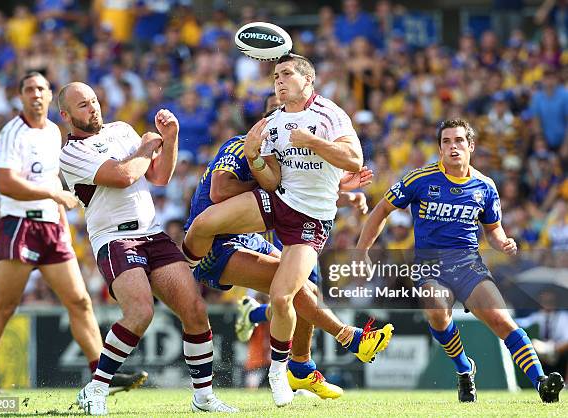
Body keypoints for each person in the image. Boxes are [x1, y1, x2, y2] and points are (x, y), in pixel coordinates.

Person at [181, 53, 394, 407]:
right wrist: (255, 158)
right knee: (206, 224)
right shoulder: (273, 125)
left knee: (286, 295)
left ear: (307, 81)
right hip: (271, 208)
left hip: (307, 223)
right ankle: (180, 267)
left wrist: (321, 158)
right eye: (274, 77)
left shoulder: (329, 114)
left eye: (285, 75)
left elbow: (353, 160)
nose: (277, 82)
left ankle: (283, 371)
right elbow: (273, 180)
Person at [58, 82, 237, 415]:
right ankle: (97, 388)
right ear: (66, 115)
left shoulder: (122, 130)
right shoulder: (70, 153)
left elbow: (159, 176)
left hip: (152, 233)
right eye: (83, 105)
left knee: (196, 311)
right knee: (140, 312)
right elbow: (125, 175)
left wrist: (170, 139)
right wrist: (145, 147)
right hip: (113, 237)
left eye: (94, 101)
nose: (93, 108)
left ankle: (203, 396)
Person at [356, 118, 564, 403]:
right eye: (446, 142)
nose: (453, 147)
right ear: (440, 148)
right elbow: (381, 210)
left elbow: (493, 229)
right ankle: (465, 369)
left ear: (471, 146)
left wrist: (502, 241)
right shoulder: (420, 179)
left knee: (501, 320)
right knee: (437, 311)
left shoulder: (486, 187)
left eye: (459, 141)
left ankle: (541, 382)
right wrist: (362, 250)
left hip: (468, 265)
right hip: (430, 266)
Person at [0, 72, 146, 396]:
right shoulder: (13, 133)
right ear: (21, 96)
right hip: (20, 224)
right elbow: (5, 183)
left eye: (41, 89)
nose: (36, 94)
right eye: (29, 89)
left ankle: (100, 376)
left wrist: (60, 215)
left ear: (51, 97)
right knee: (5, 305)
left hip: (52, 226)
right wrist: (53, 196)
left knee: (79, 301)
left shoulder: (53, 132)